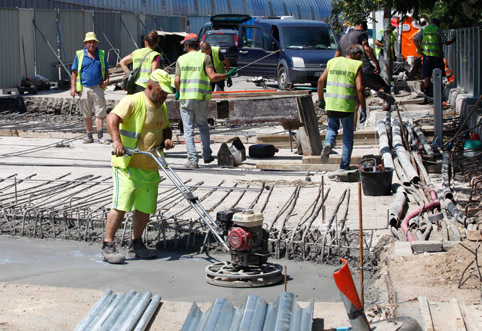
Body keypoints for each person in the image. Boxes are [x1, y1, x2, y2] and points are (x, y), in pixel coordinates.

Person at [101, 69, 174, 264]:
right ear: (150, 86)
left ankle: (137, 243)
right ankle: (108, 245)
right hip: (128, 165)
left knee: (145, 207)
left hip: (150, 165)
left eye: (167, 93)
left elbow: (166, 127)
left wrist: (167, 139)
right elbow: (111, 118)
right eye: (162, 92)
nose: (165, 96)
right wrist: (117, 141)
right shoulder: (133, 101)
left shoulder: (161, 106)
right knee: (121, 204)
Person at [174, 33, 237, 168]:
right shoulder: (205, 57)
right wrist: (227, 74)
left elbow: (177, 80)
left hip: (186, 99)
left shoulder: (181, 59)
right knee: (203, 125)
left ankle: (192, 160)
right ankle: (207, 155)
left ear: (186, 45)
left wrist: (178, 91)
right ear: (197, 45)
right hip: (201, 98)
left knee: (188, 129)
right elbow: (212, 77)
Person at [317, 45, 366, 170]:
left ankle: (328, 143)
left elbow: (320, 80)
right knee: (347, 136)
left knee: (332, 128)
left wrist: (321, 100)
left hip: (331, 104)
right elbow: (360, 88)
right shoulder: (356, 65)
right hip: (347, 106)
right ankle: (344, 166)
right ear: (358, 55)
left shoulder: (332, 62)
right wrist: (363, 109)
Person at [335, 20, 392, 111]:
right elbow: (367, 49)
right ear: (360, 25)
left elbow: (336, 56)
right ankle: (384, 103)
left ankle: (354, 123)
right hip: (364, 68)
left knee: (356, 102)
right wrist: (376, 63)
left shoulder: (343, 38)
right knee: (384, 88)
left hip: (349, 72)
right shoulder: (361, 34)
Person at [71, 32, 110, 144]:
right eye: (89, 42)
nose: (91, 44)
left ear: (96, 43)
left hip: (98, 87)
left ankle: (100, 136)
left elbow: (106, 70)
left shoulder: (101, 54)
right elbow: (74, 72)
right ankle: (89, 136)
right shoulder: (80, 55)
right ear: (85, 43)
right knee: (86, 113)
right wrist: (73, 87)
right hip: (84, 88)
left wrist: (107, 81)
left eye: (93, 42)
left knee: (100, 113)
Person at [412, 18, 456, 93]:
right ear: (438, 23)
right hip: (437, 55)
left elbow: (415, 40)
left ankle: (427, 90)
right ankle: (438, 90)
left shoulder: (424, 29)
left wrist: (420, 50)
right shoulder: (438, 29)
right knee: (438, 73)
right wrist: (452, 40)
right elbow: (445, 42)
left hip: (426, 55)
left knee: (426, 74)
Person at [119, 30, 161, 94]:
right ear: (156, 43)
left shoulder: (136, 52)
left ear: (145, 42)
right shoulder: (155, 55)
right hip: (146, 88)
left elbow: (122, 62)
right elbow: (154, 73)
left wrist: (129, 74)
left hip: (133, 86)